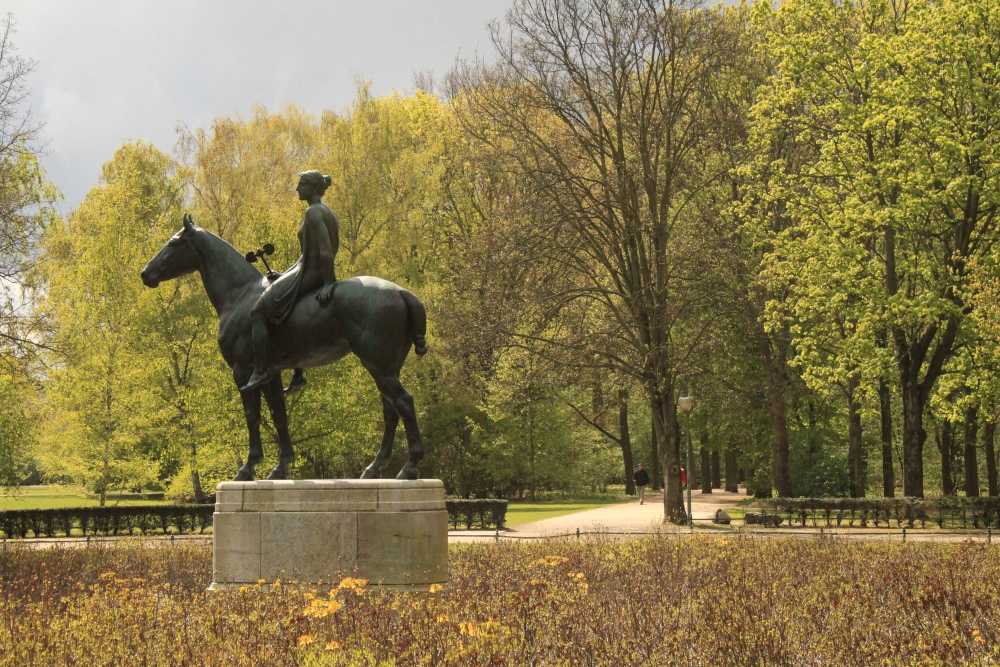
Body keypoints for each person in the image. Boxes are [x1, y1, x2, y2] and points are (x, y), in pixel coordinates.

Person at [240, 170, 340, 393]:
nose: (297, 188)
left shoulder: (314, 213)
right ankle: (298, 373)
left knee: (258, 312)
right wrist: (285, 275)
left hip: (313, 275)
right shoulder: (326, 211)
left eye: (302, 184)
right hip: (306, 271)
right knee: (282, 307)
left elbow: (325, 249)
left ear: (314, 188)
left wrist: (328, 283)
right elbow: (308, 254)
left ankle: (260, 371)